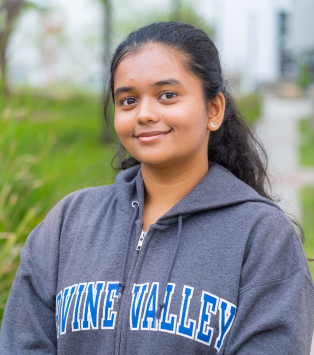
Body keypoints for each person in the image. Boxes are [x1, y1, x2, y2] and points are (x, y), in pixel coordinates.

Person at [0, 21, 313, 355]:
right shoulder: (68, 223)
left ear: (214, 109)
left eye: (167, 95)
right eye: (128, 100)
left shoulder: (262, 237)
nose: (145, 114)